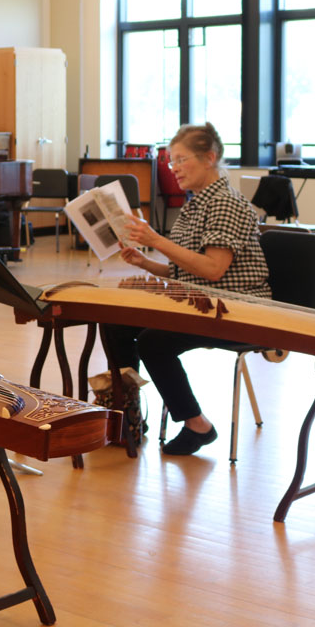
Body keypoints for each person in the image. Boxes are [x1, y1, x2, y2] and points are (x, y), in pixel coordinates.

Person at [102, 123, 270, 456]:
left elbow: (212, 269)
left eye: (180, 160)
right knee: (116, 322)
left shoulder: (225, 203)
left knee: (154, 341)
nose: (173, 168)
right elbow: (187, 270)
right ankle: (127, 413)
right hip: (205, 300)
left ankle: (197, 424)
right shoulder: (196, 204)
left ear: (210, 158)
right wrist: (145, 262)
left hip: (236, 308)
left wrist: (156, 240)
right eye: (170, 161)